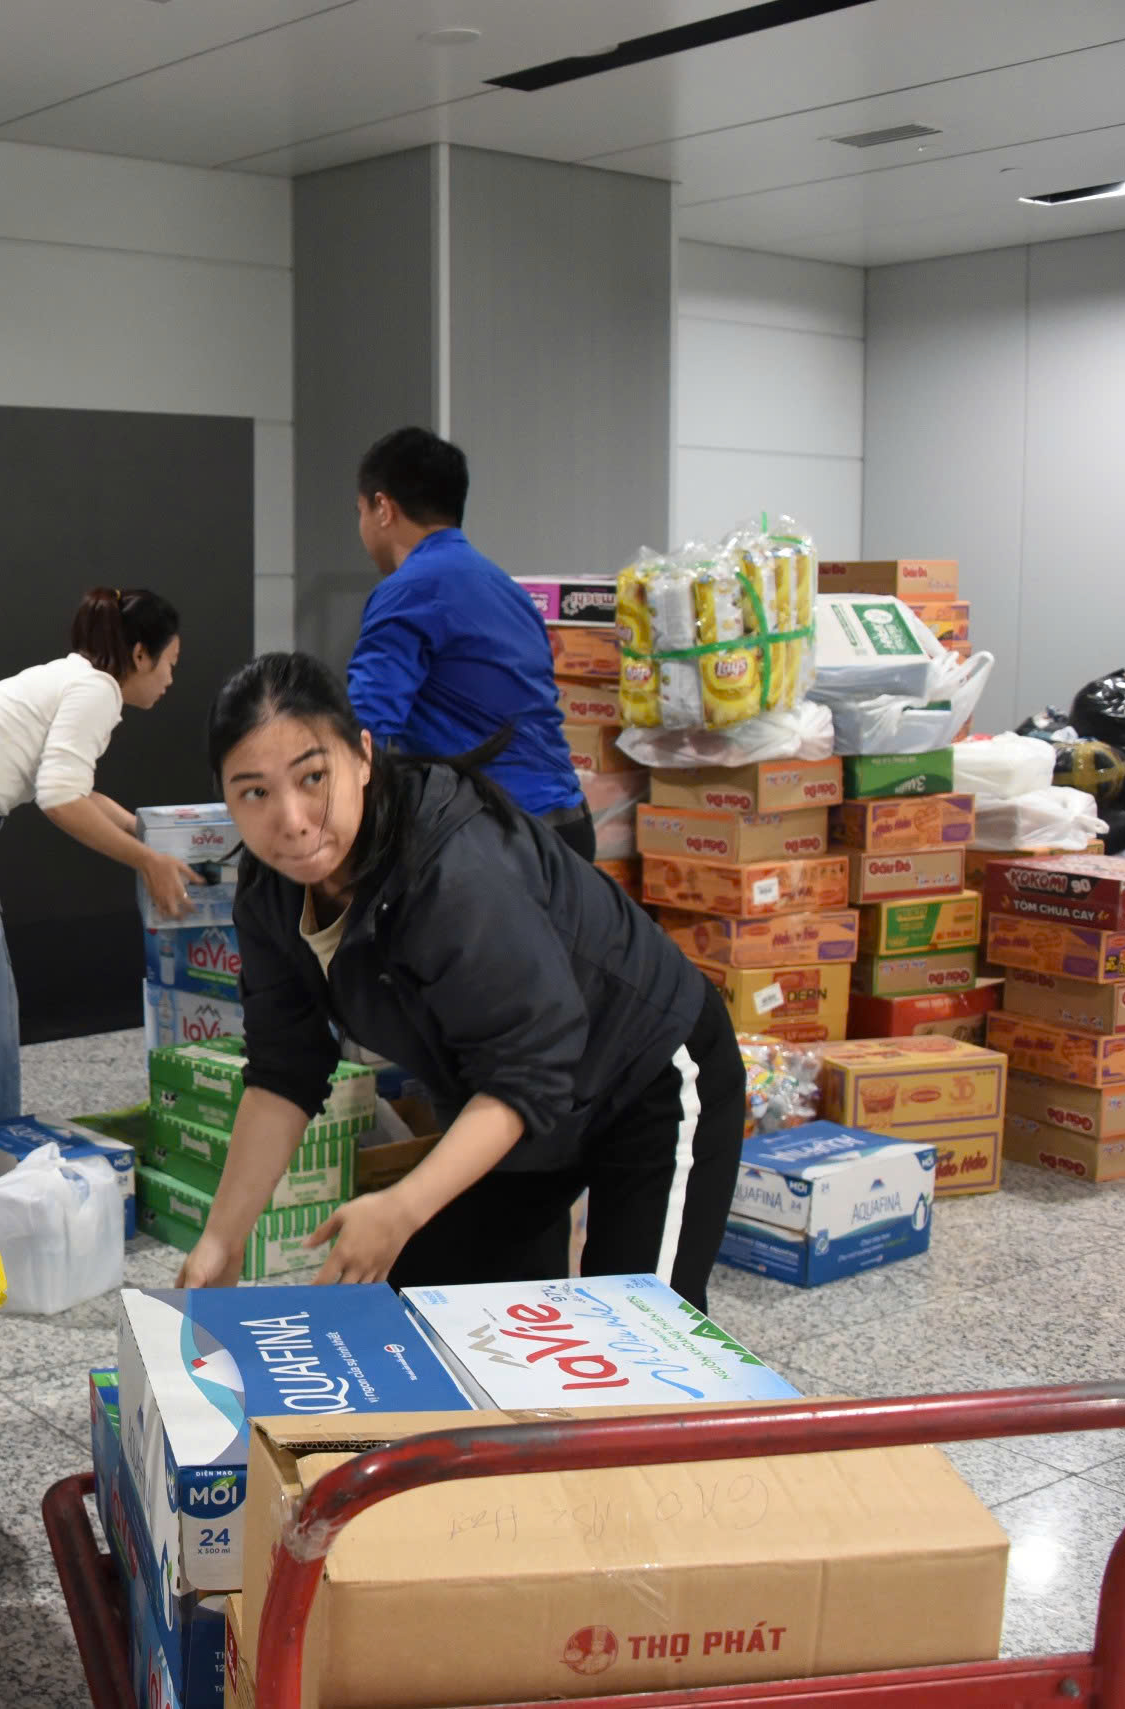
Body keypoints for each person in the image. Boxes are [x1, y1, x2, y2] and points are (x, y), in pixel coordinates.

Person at [174, 652, 743, 1308]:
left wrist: (401, 1205)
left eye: (313, 777)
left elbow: (530, 1067)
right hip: (508, 1104)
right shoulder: (270, 893)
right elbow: (284, 1068)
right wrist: (223, 1239)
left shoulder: (452, 870)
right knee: (427, 1314)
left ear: (362, 757)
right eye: (255, 792)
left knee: (641, 1338)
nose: (293, 819)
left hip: (646, 1078)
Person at [0, 588, 198, 1122]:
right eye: (170, 663)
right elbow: (60, 798)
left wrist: (147, 831)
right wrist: (148, 860)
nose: (169, 679)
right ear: (141, 655)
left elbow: (75, 789)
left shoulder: (78, 678)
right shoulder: (96, 691)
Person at [346, 427, 594, 856]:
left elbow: (364, 730)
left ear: (383, 508)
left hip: (500, 838)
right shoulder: (507, 590)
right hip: (567, 827)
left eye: (361, 510)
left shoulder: (408, 591)